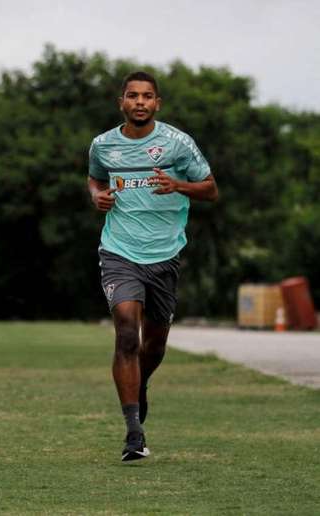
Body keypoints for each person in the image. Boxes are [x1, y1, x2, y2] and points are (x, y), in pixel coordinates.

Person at [87, 72, 218, 461]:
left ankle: (139, 384)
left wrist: (180, 186)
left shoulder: (178, 144)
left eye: (147, 96)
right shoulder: (103, 145)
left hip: (164, 256)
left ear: (157, 103)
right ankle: (133, 433)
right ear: (121, 102)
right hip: (119, 251)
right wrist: (97, 196)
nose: (140, 102)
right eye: (132, 96)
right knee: (127, 330)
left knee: (154, 343)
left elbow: (211, 189)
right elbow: (94, 179)